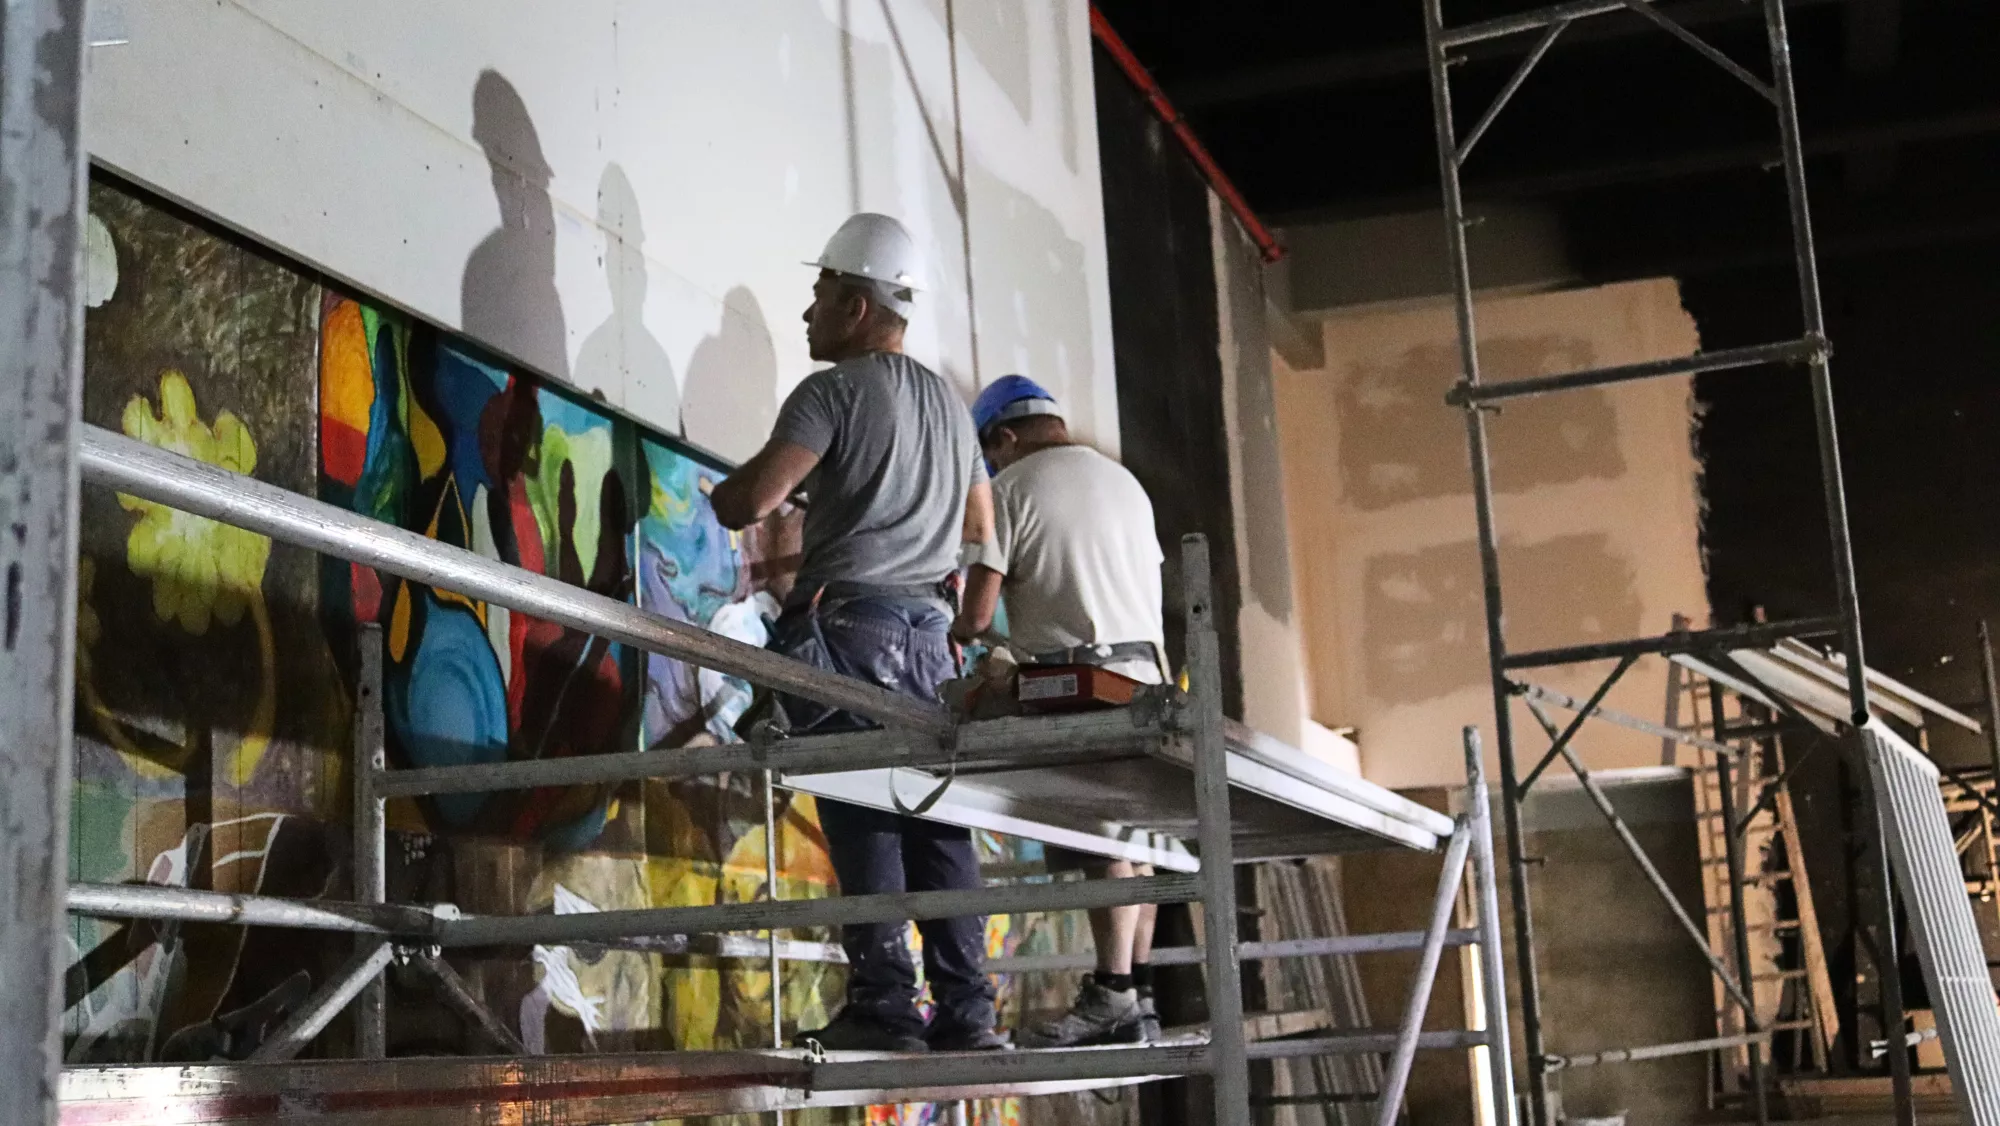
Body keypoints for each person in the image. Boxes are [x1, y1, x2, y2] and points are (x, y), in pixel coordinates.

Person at [710, 213, 1004, 1054]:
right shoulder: (952, 408)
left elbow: (756, 500)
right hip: (932, 635)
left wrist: (725, 500)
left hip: (851, 626)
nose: (807, 313)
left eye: (819, 295)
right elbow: (985, 531)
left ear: (857, 303)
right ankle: (969, 1014)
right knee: (938, 820)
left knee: (862, 808)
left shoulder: (831, 393)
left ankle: (883, 1005)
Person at [950, 374, 1168, 1047]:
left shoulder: (1010, 490)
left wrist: (966, 636)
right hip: (1149, 684)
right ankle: (1138, 993)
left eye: (992, 455)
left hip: (1079, 686)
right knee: (1139, 846)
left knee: (1097, 836)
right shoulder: (1125, 484)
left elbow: (977, 616)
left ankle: (1112, 994)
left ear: (1004, 437)